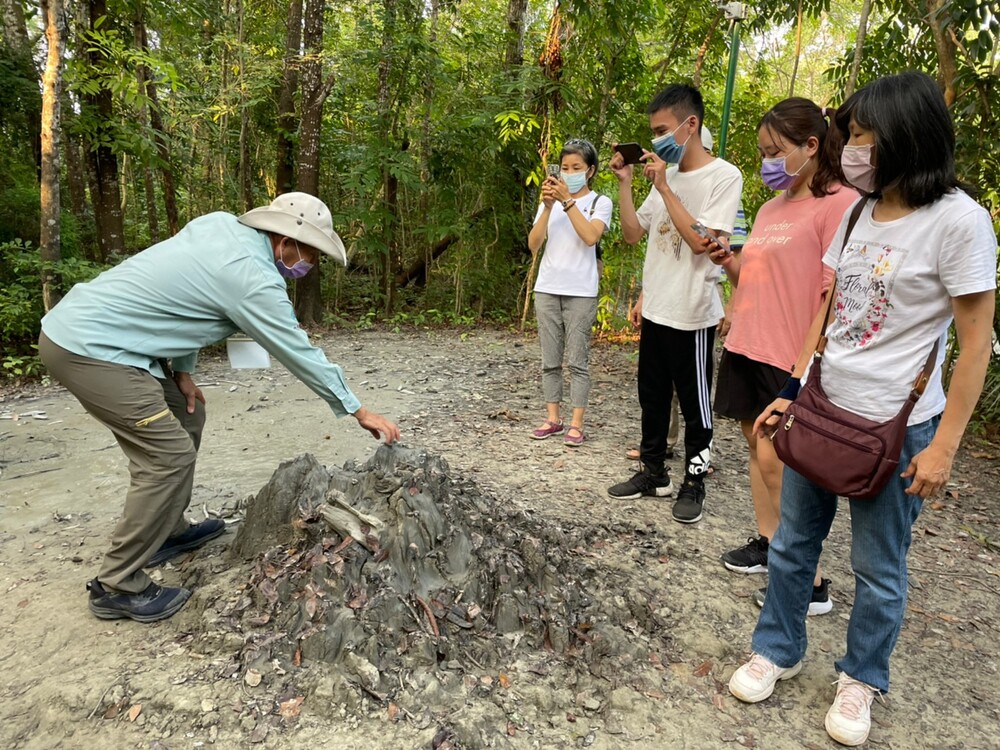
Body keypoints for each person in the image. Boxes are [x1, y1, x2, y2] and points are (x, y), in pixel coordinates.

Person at [728, 72, 996, 747]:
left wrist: (943, 448)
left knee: (879, 568)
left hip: (896, 428)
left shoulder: (961, 222)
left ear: (908, 139)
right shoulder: (856, 210)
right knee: (791, 545)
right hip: (822, 407)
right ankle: (778, 647)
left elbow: (974, 344)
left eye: (867, 138)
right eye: (856, 136)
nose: (854, 149)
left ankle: (861, 678)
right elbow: (829, 305)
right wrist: (792, 388)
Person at [38, 192, 401, 624]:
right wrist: (357, 409)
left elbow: (188, 305)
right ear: (285, 239)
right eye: (310, 252)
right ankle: (117, 584)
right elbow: (297, 351)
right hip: (90, 349)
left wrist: (184, 372)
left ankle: (166, 529)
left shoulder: (221, 226)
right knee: (168, 456)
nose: (311, 264)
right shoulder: (251, 277)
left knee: (188, 413)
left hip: (107, 341)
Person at [713, 98, 858, 617]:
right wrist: (729, 262)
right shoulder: (773, 208)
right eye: (761, 152)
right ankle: (769, 544)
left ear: (811, 146)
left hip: (789, 356)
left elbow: (832, 296)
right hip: (747, 344)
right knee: (755, 449)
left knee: (782, 464)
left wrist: (806, 367)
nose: (767, 163)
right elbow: (756, 279)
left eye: (776, 151)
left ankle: (810, 580)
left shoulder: (840, 204)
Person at [607, 84, 742, 524]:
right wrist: (627, 185)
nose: (657, 139)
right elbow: (632, 233)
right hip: (658, 307)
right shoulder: (666, 177)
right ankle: (653, 471)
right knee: (652, 396)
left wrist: (666, 188)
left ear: (691, 125)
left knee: (694, 401)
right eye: (652, 131)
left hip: (693, 311)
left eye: (663, 129)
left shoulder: (724, 176)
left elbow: (705, 243)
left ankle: (694, 480)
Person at [528, 139, 613, 446]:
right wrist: (549, 207)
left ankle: (577, 423)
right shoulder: (548, 203)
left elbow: (591, 236)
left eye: (576, 168)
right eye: (565, 168)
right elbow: (534, 244)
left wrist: (567, 202)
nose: (569, 173)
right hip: (547, 288)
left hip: (581, 292)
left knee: (578, 360)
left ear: (590, 171)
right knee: (549, 359)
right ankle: (552, 418)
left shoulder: (600, 202)